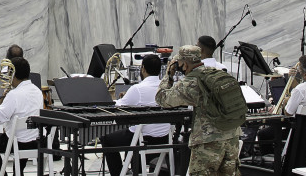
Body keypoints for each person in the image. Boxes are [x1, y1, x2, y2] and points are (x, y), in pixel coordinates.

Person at [156, 45, 241, 176]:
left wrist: (168, 74)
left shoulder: (190, 82)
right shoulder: (216, 73)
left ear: (184, 64)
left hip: (208, 141)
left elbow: (162, 98)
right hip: (232, 135)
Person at [101, 53, 169, 176]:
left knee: (107, 139)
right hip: (164, 138)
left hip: (142, 139)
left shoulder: (138, 89)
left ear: (143, 69)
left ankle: (119, 173)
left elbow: (117, 106)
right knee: (131, 132)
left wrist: (113, 98)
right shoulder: (167, 88)